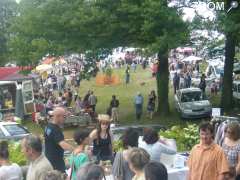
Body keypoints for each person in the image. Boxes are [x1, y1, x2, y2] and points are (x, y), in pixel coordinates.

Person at [44, 107, 74, 172]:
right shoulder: (56, 130)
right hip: (56, 163)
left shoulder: (48, 126)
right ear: (58, 116)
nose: (65, 119)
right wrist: (76, 150)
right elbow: (63, 144)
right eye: (64, 117)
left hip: (49, 158)